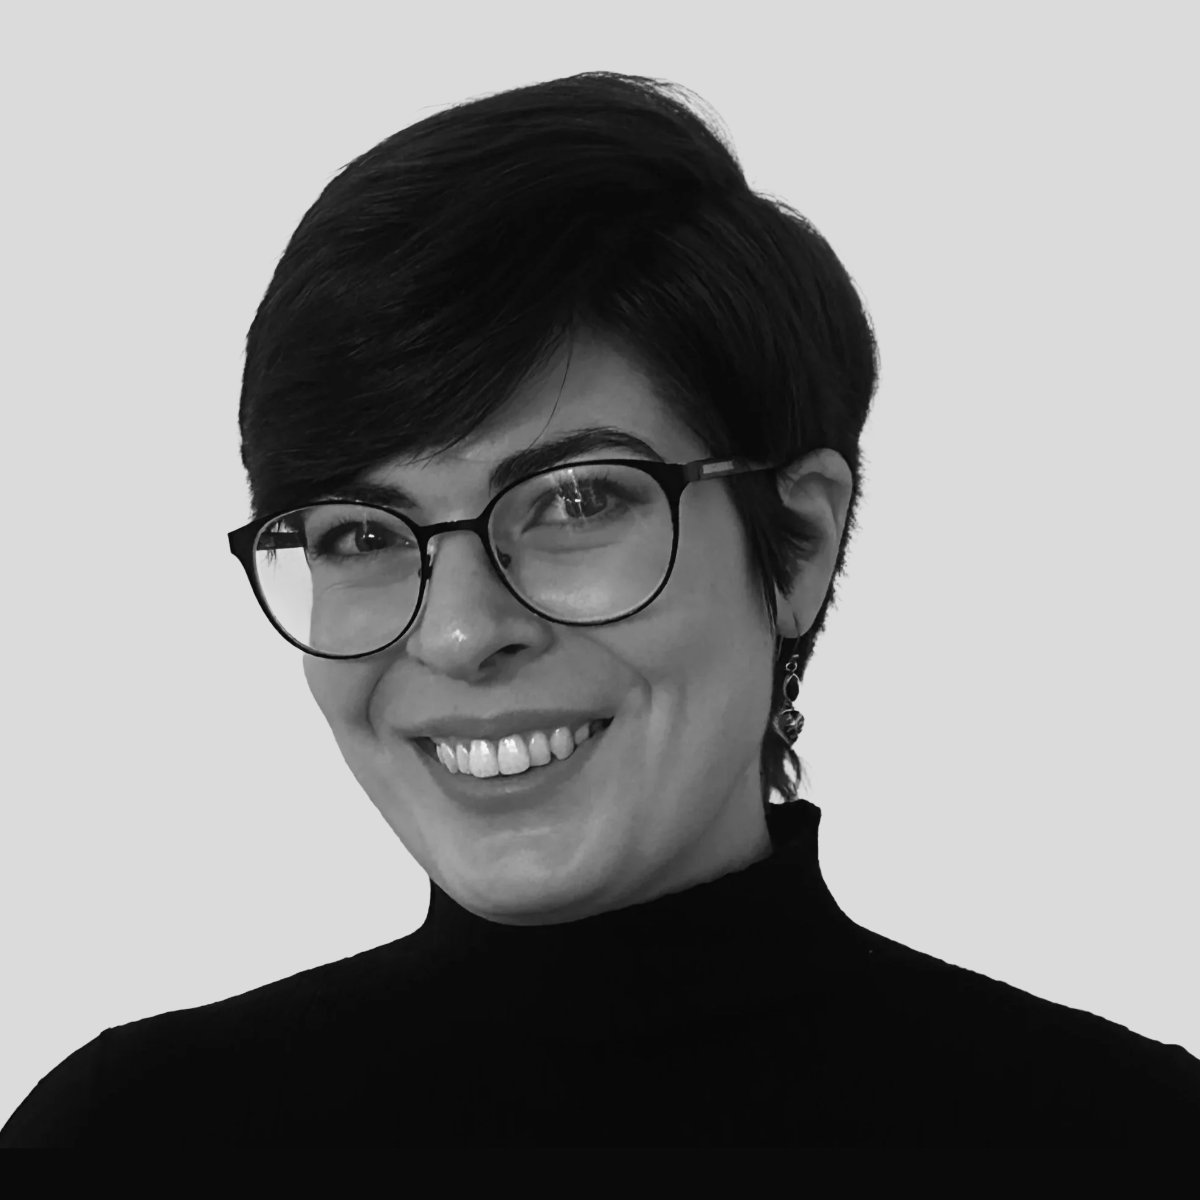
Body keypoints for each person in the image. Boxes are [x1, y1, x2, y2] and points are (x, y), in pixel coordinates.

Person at [3, 71, 1197, 1148]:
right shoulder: (130, 1147)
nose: (461, 633)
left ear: (800, 542)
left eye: (574, 502)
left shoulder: (1126, 1144)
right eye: (362, 535)